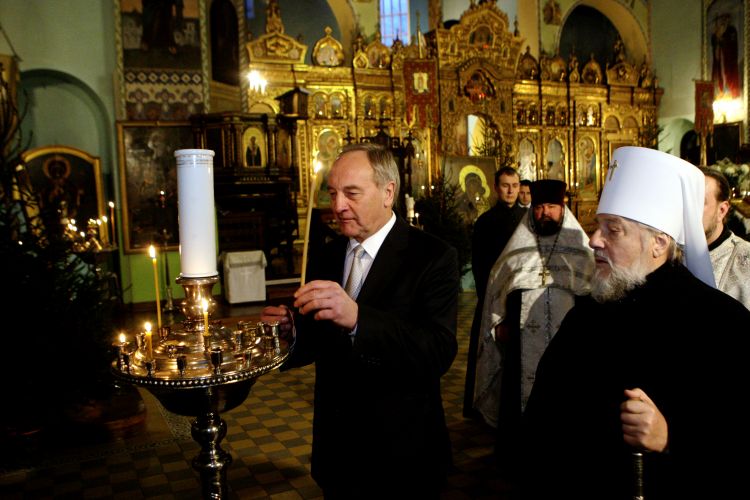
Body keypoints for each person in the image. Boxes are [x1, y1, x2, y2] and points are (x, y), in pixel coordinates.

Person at [522, 147, 750, 499]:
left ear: (658, 243)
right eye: (598, 226)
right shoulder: (586, 315)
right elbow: (541, 420)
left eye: (612, 230)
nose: (594, 240)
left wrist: (671, 438)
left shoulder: (722, 323)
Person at [261, 143, 459, 498]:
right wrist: (292, 331)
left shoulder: (432, 256)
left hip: (401, 455)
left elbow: (437, 351)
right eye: (333, 193)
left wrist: (357, 318)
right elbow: (319, 339)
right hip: (337, 450)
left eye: (351, 193)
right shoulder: (328, 253)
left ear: (388, 193)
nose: (338, 206)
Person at [474, 180, 593, 476]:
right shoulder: (518, 248)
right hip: (522, 342)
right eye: (539, 207)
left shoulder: (581, 250)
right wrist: (501, 321)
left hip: (570, 345)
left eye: (551, 206)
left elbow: (594, 293)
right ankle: (519, 457)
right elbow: (498, 286)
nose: (545, 213)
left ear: (563, 209)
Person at [463, 166, 525, 417]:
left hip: (520, 296)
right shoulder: (485, 221)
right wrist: (488, 300)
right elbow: (480, 265)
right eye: (505, 185)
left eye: (515, 185)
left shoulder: (527, 219)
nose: (511, 191)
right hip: (492, 296)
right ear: (496, 188)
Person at [701, 167, 750, 310]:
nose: (688, 211)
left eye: (699, 202)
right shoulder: (666, 252)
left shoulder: (746, 259)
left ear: (721, 210)